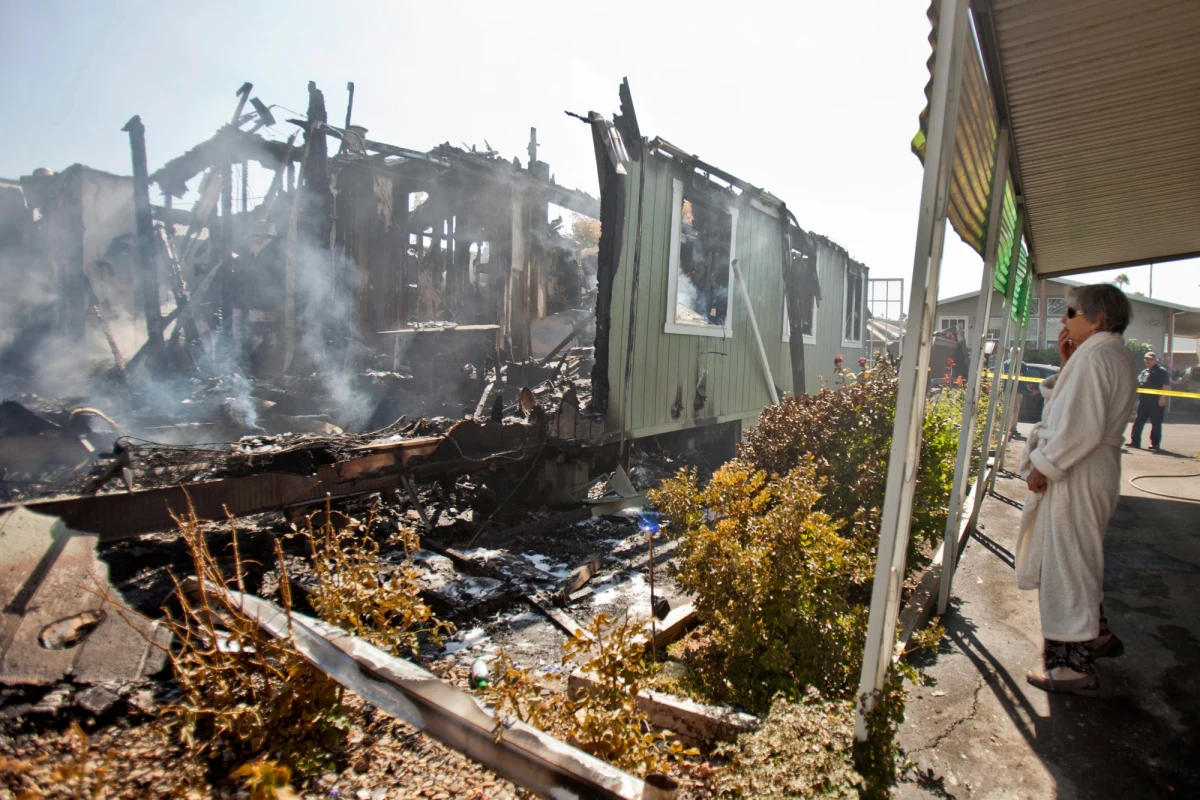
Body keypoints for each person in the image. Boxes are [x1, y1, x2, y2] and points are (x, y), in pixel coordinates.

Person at [1015, 284, 1137, 696]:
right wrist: (1067, 362)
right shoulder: (1102, 353)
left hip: (1078, 471)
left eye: (1070, 312)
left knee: (1068, 563)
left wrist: (1044, 467)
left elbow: (1079, 428)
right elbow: (1073, 408)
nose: (1064, 320)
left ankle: (1072, 669)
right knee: (1080, 555)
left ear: (1098, 318)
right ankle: (1096, 636)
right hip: (1089, 469)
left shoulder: (1099, 355)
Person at [1129, 351, 1170, 450]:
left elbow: (1165, 385)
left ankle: (1155, 444)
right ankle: (1135, 442)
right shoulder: (1144, 372)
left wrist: (1162, 398)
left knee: (1156, 423)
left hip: (1155, 401)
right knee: (1138, 421)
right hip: (1143, 401)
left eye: (1150, 359)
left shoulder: (1161, 371)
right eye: (1146, 359)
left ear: (1155, 360)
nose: (1148, 361)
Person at [1001, 357, 1032, 437]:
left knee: (1015, 410)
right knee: (1005, 408)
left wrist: (1013, 374)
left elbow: (1024, 375)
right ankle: (1004, 427)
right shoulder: (1006, 363)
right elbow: (1006, 374)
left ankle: (1013, 428)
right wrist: (1018, 374)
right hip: (1007, 389)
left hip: (1018, 390)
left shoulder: (1023, 365)